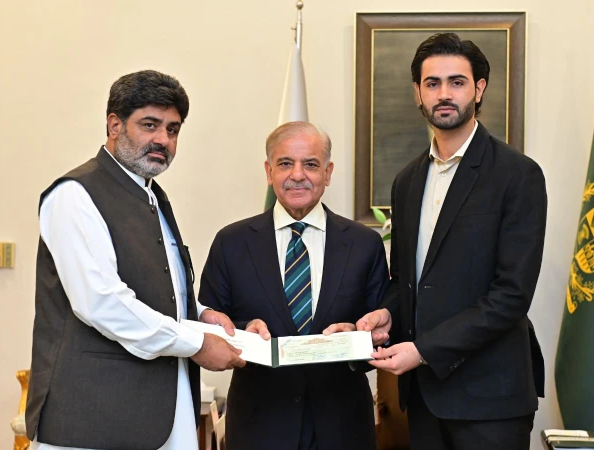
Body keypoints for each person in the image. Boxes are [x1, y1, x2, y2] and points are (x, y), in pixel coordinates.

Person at [25, 70, 246, 450]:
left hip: (160, 411)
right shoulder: (75, 194)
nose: (163, 140)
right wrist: (196, 342)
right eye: (150, 125)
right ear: (114, 124)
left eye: (173, 130)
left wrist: (201, 314)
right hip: (93, 416)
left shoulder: (152, 196)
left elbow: (157, 287)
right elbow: (101, 302)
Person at [358, 33, 547, 450]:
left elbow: (511, 295)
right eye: (432, 83)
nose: (444, 94)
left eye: (456, 82)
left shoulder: (518, 175)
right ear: (418, 93)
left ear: (479, 89)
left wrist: (423, 350)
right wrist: (387, 314)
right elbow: (407, 281)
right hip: (423, 398)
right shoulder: (407, 181)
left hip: (491, 399)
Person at [198, 121, 389, 450]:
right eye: (285, 163)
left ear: (328, 173)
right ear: (268, 171)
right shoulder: (231, 243)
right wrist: (244, 332)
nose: (297, 175)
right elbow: (208, 328)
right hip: (260, 426)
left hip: (343, 428)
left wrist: (357, 337)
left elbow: (384, 333)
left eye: (310, 164)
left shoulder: (364, 244)